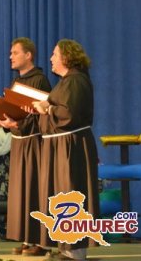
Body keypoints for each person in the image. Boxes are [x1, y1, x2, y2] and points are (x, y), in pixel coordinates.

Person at [32, 39, 99, 260]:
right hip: (61, 144)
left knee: (70, 192)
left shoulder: (76, 80)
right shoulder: (66, 81)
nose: (51, 58)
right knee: (60, 194)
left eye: (55, 54)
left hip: (71, 146)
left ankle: (74, 251)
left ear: (67, 57)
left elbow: (68, 114)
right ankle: (65, 247)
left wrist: (46, 108)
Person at [0, 38, 51, 256]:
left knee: (34, 190)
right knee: (22, 191)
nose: (11, 57)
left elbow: (42, 115)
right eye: (10, 53)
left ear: (28, 55)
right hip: (19, 141)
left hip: (33, 142)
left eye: (15, 53)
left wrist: (16, 124)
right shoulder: (17, 81)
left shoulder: (40, 80)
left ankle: (41, 242)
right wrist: (4, 120)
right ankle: (27, 238)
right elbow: (16, 111)